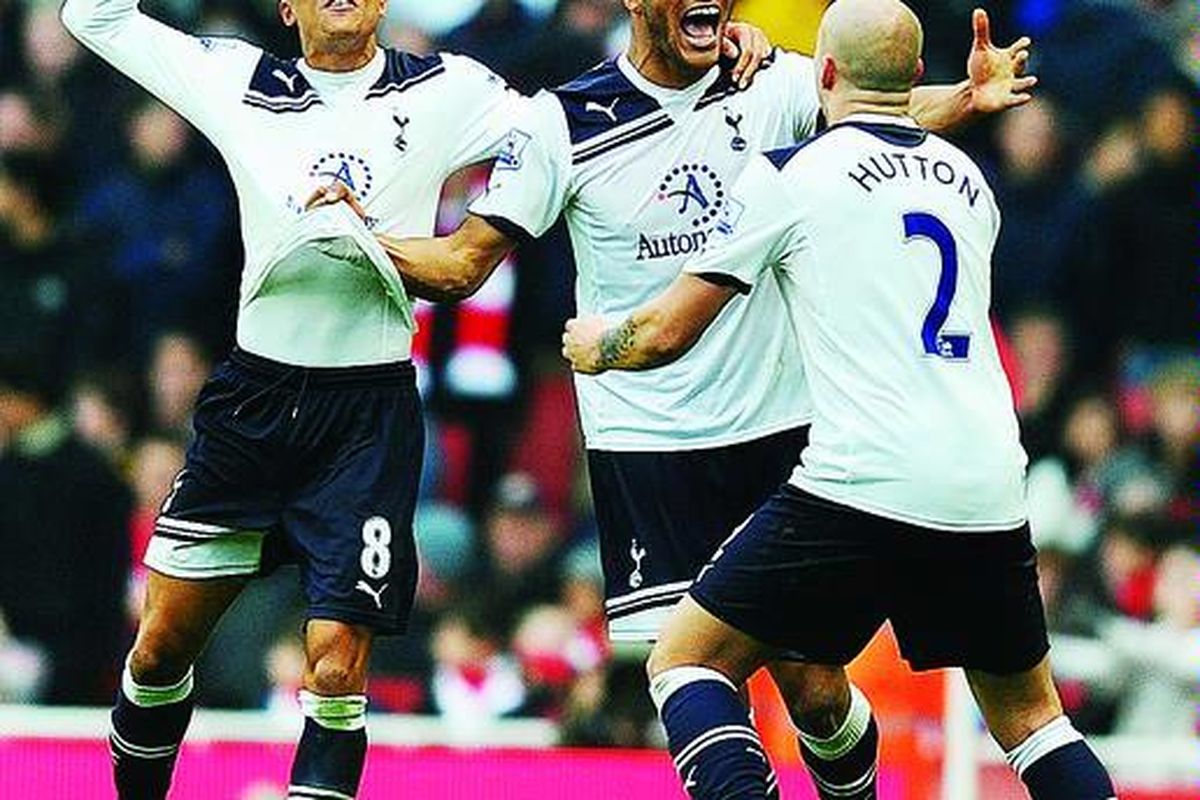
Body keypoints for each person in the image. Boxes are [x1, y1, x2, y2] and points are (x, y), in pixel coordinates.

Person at [313, 1, 1035, 796]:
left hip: (780, 435)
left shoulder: (771, 81)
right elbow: (461, 265)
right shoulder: (564, 123)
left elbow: (873, 118)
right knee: (691, 680)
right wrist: (357, 235)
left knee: (815, 691)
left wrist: (963, 98)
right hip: (650, 455)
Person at [60, 2, 769, 798]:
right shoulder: (235, 79)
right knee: (161, 646)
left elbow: (583, 121)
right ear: (285, 7)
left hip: (367, 414)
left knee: (337, 657)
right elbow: (94, 15)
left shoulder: (448, 89)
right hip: (253, 401)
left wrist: (710, 52)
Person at [560, 1, 1116, 798]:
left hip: (861, 477)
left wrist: (594, 345)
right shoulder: (971, 185)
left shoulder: (791, 175)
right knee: (1033, 721)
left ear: (821, 76)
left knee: (686, 661)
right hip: (987, 481)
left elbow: (661, 337)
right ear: (918, 76)